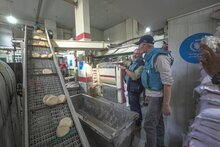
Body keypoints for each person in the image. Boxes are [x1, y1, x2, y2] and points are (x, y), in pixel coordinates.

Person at [136, 35, 173, 147]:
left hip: (158, 97)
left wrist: (166, 104)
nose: (138, 47)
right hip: (153, 95)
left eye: (140, 45)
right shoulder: (149, 57)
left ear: (145, 45)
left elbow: (168, 83)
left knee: (149, 125)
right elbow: (151, 77)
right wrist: (148, 94)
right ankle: (160, 145)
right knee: (158, 123)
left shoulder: (160, 58)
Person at [119, 48, 144, 127]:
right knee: (133, 105)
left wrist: (125, 69)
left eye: (137, 53)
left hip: (135, 88)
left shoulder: (141, 64)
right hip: (131, 87)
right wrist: (124, 64)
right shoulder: (134, 62)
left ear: (141, 54)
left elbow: (134, 76)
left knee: (135, 106)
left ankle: (138, 124)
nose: (135, 55)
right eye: (134, 53)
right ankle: (135, 121)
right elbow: (129, 64)